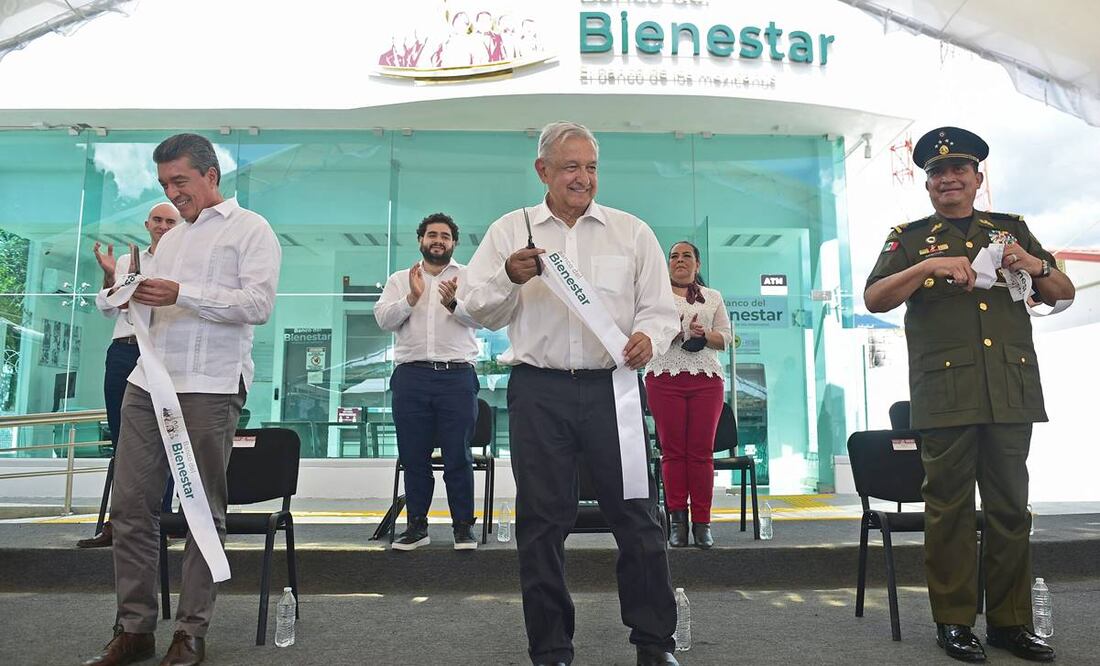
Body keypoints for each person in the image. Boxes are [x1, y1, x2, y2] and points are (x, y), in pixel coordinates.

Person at [461, 121, 680, 666]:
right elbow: (471, 307)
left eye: (591, 167)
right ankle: (551, 648)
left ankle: (654, 644)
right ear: (543, 171)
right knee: (541, 523)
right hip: (540, 392)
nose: (583, 178)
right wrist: (508, 278)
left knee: (639, 519)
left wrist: (648, 336)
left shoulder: (632, 232)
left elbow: (660, 307)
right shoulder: (511, 231)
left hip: (615, 392)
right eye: (570, 167)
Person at [865, 127, 1073, 664]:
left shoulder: (1011, 231)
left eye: (958, 170)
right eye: (936, 173)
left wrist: (1036, 265)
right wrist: (927, 266)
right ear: (928, 186)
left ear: (978, 178)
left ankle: (1010, 623)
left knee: (1010, 510)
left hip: (1009, 389)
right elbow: (875, 298)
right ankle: (954, 622)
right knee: (949, 510)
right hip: (945, 394)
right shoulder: (909, 238)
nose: (948, 178)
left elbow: (1062, 293)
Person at [83, 133, 281, 666]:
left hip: (211, 385)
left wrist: (182, 294)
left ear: (211, 176)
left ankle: (190, 632)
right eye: (165, 184)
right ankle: (135, 627)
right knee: (128, 506)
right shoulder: (168, 242)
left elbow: (258, 305)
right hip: (149, 381)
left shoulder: (252, 229)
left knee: (200, 508)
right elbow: (146, 313)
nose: (173, 194)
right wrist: (124, 292)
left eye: (181, 182)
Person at [374, 212, 482, 551]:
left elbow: (484, 318)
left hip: (457, 377)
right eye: (432, 234)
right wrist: (411, 298)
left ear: (454, 243)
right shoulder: (399, 279)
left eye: (445, 236)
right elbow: (383, 319)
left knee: (457, 456)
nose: (438, 240)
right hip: (411, 378)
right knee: (413, 455)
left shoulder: (469, 277)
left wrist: (454, 303)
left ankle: (463, 527)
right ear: (421, 240)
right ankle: (417, 527)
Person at [79, 203, 180, 549]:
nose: (164, 226)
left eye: (171, 221)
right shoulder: (128, 261)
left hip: (161, 353)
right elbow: (109, 307)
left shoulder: (183, 263)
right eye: (158, 220)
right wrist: (111, 279)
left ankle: (160, 521)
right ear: (147, 224)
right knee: (123, 441)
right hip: (124, 351)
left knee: (165, 439)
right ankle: (119, 524)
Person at [644, 241, 731, 550]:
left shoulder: (713, 298)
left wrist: (703, 334)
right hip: (664, 378)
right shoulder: (654, 297)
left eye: (686, 256)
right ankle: (677, 523)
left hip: (706, 380)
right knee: (673, 452)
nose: (679, 261)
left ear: (698, 265)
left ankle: (703, 524)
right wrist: (675, 332)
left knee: (701, 452)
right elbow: (644, 332)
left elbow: (726, 339)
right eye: (674, 257)